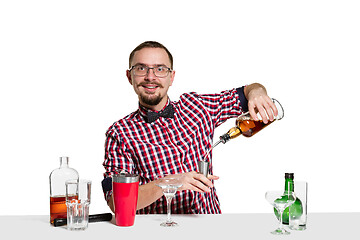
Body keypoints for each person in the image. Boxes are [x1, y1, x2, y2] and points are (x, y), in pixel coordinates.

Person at [102, 41, 278, 214]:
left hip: (211, 226)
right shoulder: (120, 133)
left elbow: (248, 91)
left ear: (171, 77)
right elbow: (117, 203)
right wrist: (169, 182)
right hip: (157, 231)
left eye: (160, 69)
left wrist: (257, 92)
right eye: (141, 68)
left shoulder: (198, 106)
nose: (150, 76)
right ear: (129, 76)